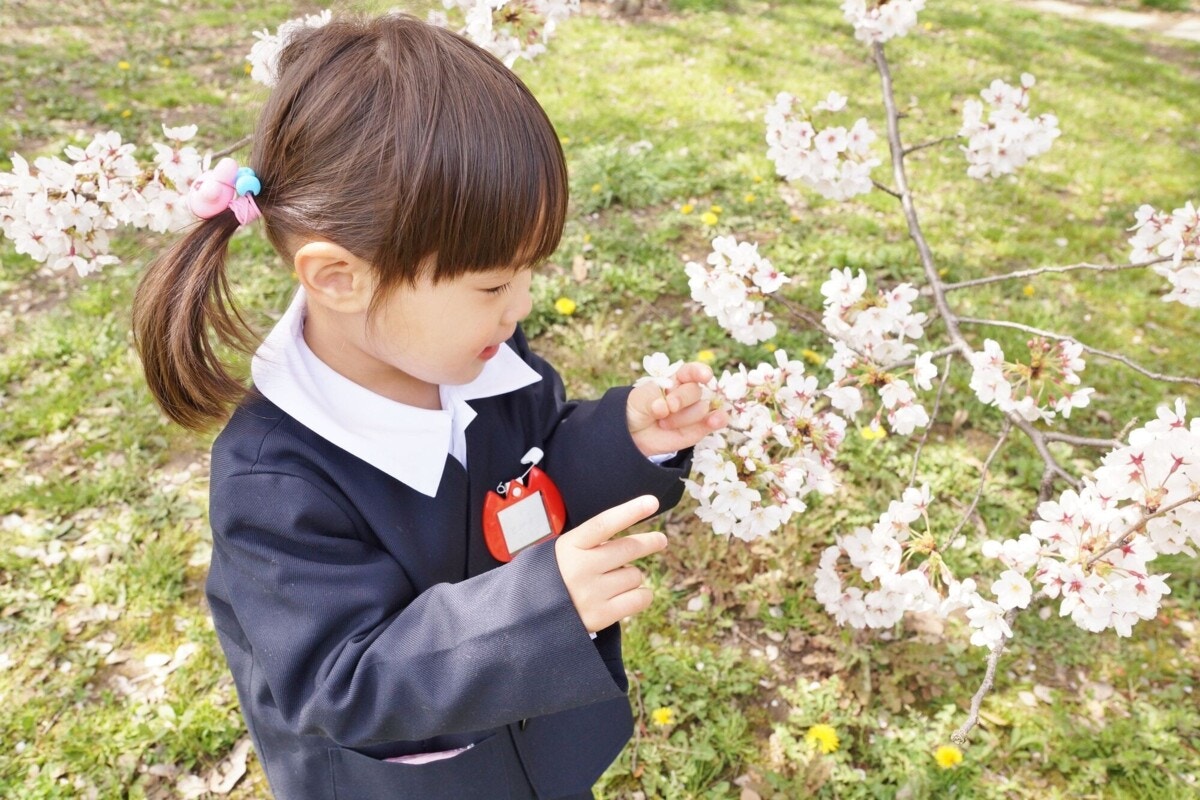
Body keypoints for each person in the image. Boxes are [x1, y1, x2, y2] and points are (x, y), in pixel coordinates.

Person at [131, 13, 726, 800]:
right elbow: (341, 680)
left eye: (527, 272)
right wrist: (541, 612)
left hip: (533, 753)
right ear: (340, 277)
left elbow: (535, 467)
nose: (519, 305)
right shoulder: (276, 479)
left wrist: (624, 441)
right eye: (490, 285)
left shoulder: (479, 358)